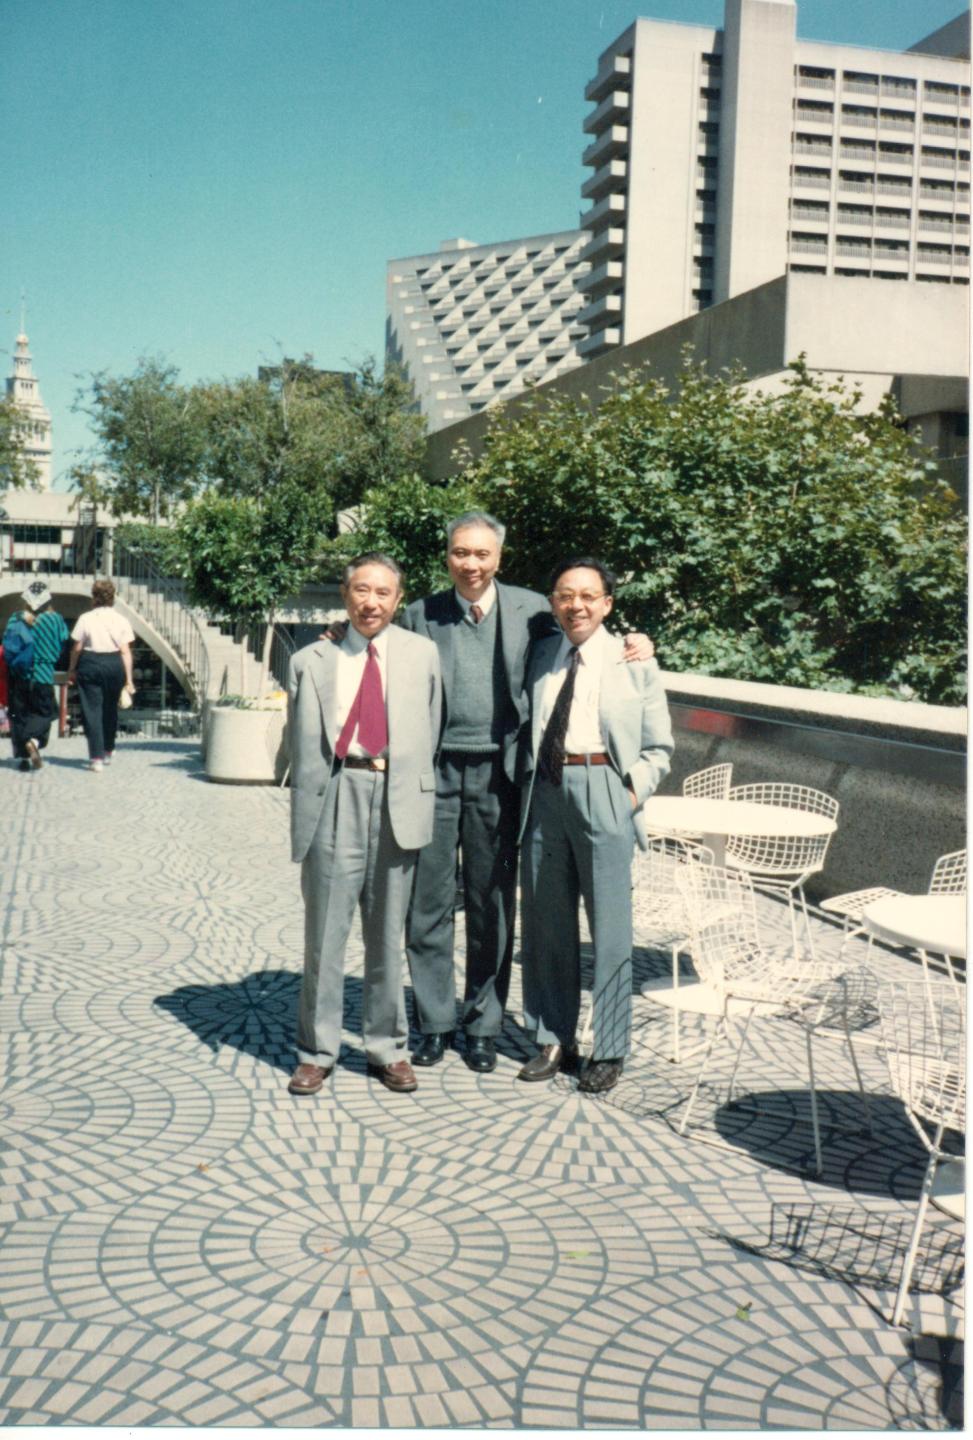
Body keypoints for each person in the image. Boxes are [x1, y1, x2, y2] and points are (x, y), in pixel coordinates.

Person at [400, 511, 653, 1074]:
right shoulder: (420, 615)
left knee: (493, 904)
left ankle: (483, 1026)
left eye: (482, 553)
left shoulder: (535, 612)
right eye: (461, 552)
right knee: (429, 905)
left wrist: (637, 642)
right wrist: (336, 635)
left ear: (499, 557)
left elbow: (592, 636)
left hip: (506, 777)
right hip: (437, 774)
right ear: (447, 555)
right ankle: (435, 1023)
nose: (471, 564)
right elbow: (381, 656)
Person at [287, 552, 442, 1098]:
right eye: (361, 590)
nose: (370, 602)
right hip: (336, 792)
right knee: (325, 935)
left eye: (382, 592)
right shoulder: (310, 659)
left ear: (398, 600)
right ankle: (316, 1052)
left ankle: (388, 1048)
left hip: (396, 795)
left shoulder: (422, 654)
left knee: (387, 933)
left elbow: (433, 727)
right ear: (345, 593)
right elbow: (297, 739)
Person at [518, 557, 674, 1095]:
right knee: (546, 923)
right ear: (553, 602)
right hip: (545, 791)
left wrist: (627, 795)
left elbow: (659, 747)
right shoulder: (541, 654)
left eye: (588, 596)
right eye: (565, 595)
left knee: (609, 928)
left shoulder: (634, 660)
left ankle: (609, 1048)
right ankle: (553, 1039)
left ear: (607, 604)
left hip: (604, 786)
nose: (576, 605)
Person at [66, 579, 136, 772]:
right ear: (112, 597)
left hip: (90, 662)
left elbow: (77, 647)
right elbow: (125, 651)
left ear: (94, 597)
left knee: (92, 710)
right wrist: (129, 679)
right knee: (110, 708)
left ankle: (96, 757)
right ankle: (108, 748)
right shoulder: (121, 620)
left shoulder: (85, 618)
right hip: (114, 664)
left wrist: (72, 668)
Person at [3, 580, 69, 772]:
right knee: (45, 713)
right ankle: (33, 741)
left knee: (19, 716)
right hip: (43, 674)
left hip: (19, 675)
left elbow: (7, 644)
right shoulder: (55, 620)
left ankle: (23, 758)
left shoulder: (16, 618)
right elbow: (63, 641)